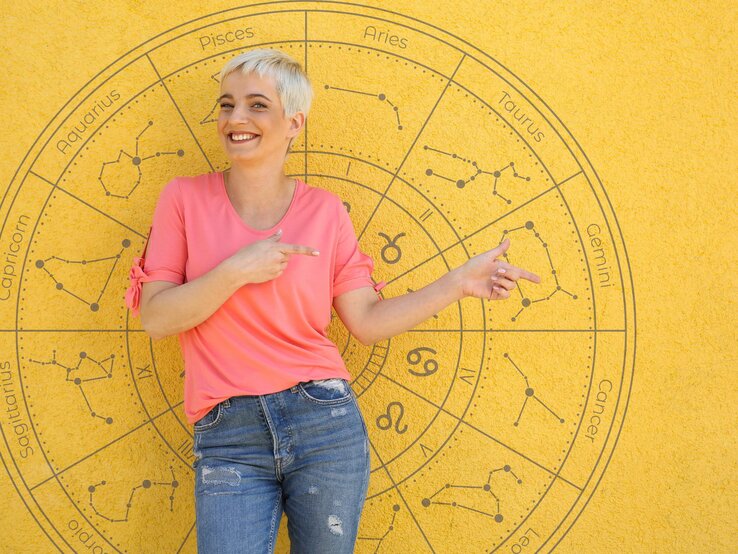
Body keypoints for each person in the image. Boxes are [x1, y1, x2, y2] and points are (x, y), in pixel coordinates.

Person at [126, 48, 540, 554]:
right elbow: (156, 317)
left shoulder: (324, 210)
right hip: (227, 434)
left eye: (258, 105)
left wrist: (455, 283)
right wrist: (237, 270)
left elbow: (364, 319)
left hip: (323, 423)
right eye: (226, 104)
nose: (235, 119)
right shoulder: (182, 199)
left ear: (293, 123)